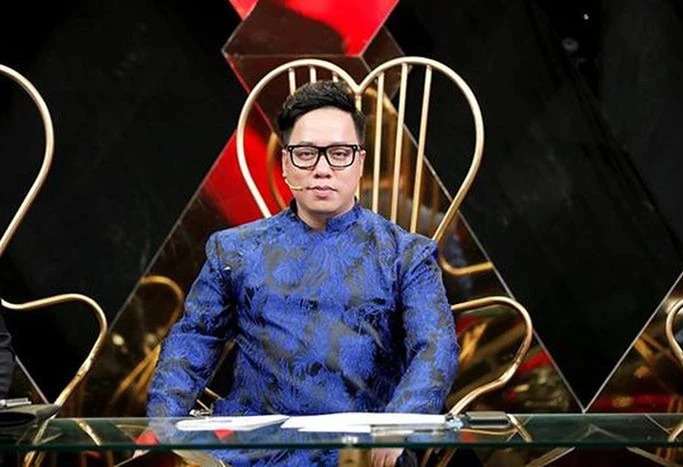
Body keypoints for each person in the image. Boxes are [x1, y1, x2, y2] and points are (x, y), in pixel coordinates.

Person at [147, 80, 459, 466]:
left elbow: (436, 348)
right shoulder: (235, 250)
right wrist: (162, 428)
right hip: (248, 453)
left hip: (358, 452)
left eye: (339, 154)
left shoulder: (407, 255)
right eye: (306, 154)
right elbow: (195, 337)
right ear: (285, 163)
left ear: (360, 162)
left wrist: (398, 425)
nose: (322, 169)